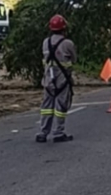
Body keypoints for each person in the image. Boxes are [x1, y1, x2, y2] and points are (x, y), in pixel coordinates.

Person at [36, 14, 76, 143]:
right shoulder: (68, 43)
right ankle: (58, 133)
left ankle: (43, 133)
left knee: (46, 107)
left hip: (48, 80)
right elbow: (74, 59)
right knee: (61, 107)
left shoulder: (45, 42)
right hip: (62, 80)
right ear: (64, 28)